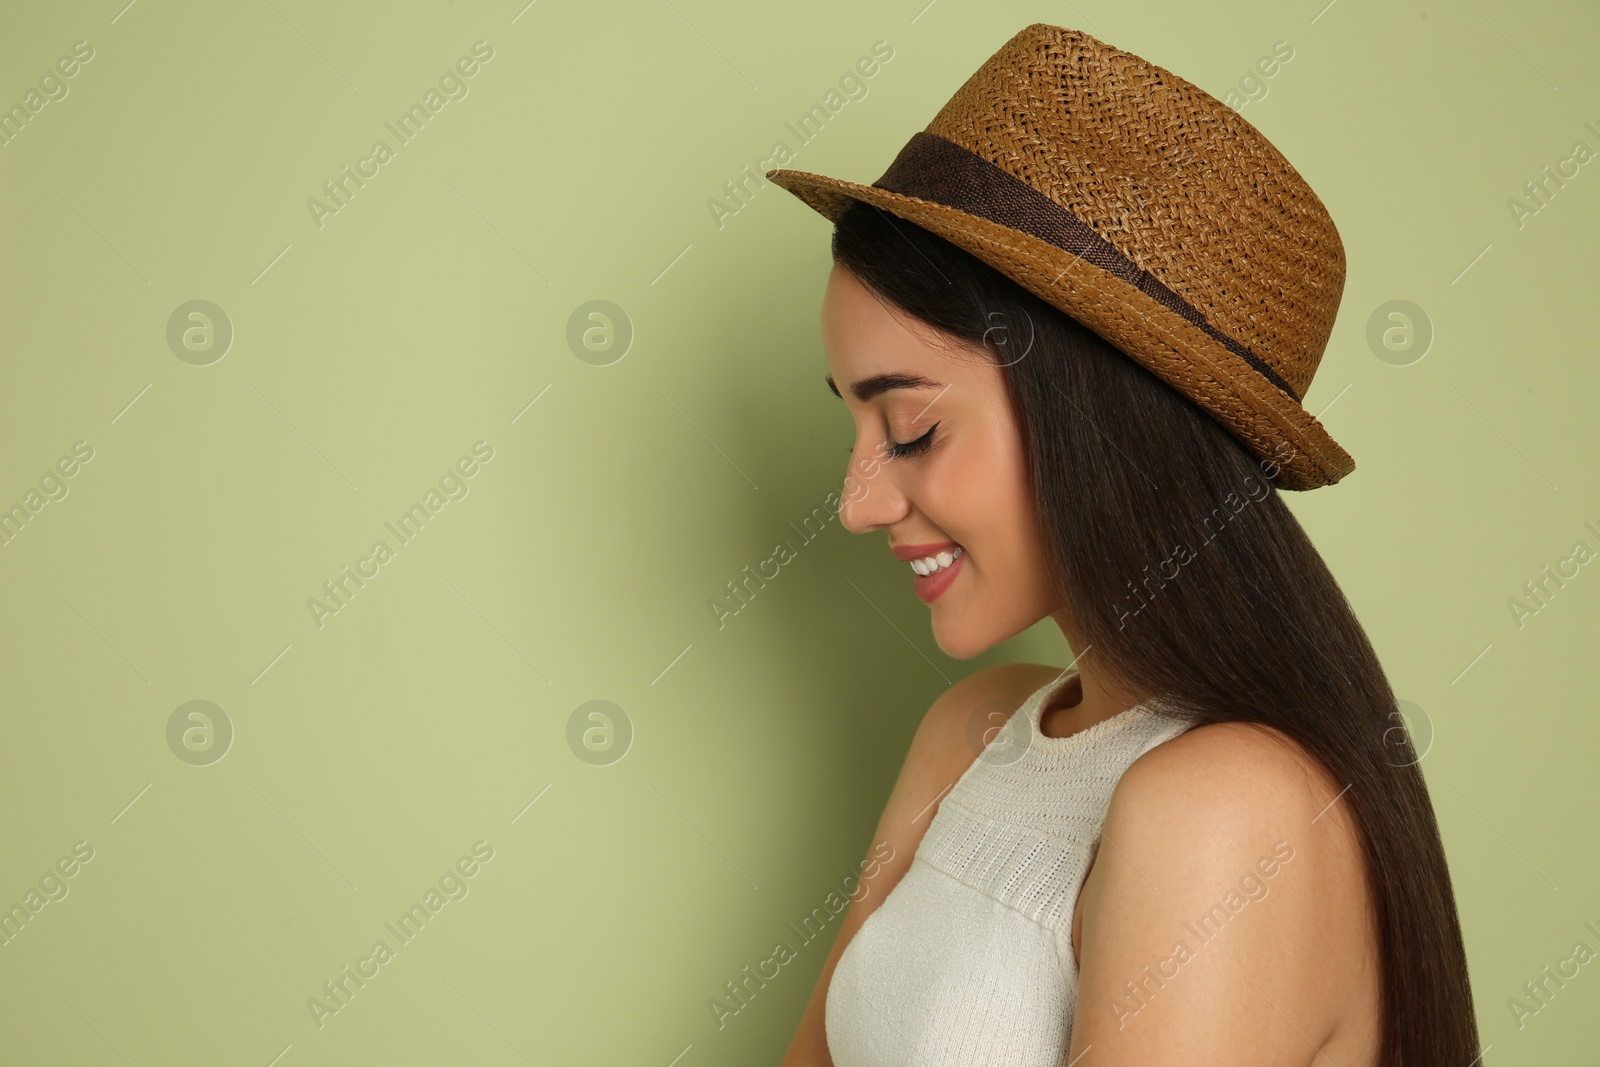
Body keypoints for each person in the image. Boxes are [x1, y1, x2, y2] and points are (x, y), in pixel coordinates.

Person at [766, 23, 1480, 1067]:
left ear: (1092, 420)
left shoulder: (1226, 808)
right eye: (854, 429)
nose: (857, 503)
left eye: (911, 428)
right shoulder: (972, 730)